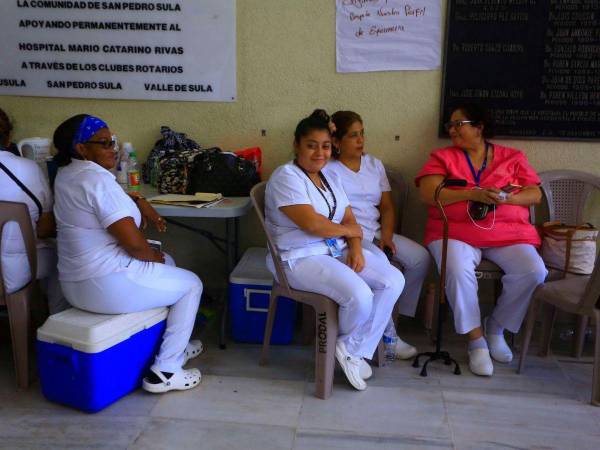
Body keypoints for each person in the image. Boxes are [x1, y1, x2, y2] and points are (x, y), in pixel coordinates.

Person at [52, 114, 204, 393]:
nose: (113, 148)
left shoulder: (66, 173)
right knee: (191, 284)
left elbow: (103, 204)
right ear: (81, 149)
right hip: (106, 286)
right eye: (103, 143)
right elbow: (133, 244)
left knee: (169, 263)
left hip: (75, 285)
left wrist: (138, 200)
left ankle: (175, 345)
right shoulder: (96, 180)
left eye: (112, 142)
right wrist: (150, 255)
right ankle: (167, 370)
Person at [265, 109, 405, 391]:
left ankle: (350, 348)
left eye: (326, 146)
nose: (319, 152)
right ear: (296, 144)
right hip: (298, 258)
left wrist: (355, 247)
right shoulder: (286, 176)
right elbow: (313, 224)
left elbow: (349, 219)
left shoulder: (329, 177)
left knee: (393, 280)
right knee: (360, 295)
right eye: (311, 145)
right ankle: (349, 348)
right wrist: (351, 233)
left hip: (332, 250)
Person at [415, 103, 547, 376]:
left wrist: (508, 197)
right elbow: (429, 194)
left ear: (479, 127)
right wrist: (471, 194)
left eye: (458, 124)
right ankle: (476, 342)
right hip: (455, 231)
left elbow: (534, 194)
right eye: (449, 125)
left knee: (535, 271)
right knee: (456, 268)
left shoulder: (512, 157)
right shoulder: (442, 157)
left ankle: (496, 327)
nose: (451, 130)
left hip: (507, 233)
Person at [324, 110, 430, 360]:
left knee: (420, 258)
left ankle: (396, 315)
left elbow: (386, 207)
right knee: (383, 266)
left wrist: (388, 236)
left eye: (362, 133)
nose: (360, 140)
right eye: (353, 135)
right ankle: (389, 333)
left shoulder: (374, 164)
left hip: (375, 232)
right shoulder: (329, 169)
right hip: (349, 237)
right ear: (337, 142)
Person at [0, 107, 68, 314]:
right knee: (65, 256)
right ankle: (54, 324)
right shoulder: (28, 169)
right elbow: (45, 228)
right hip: (13, 273)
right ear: (9, 137)